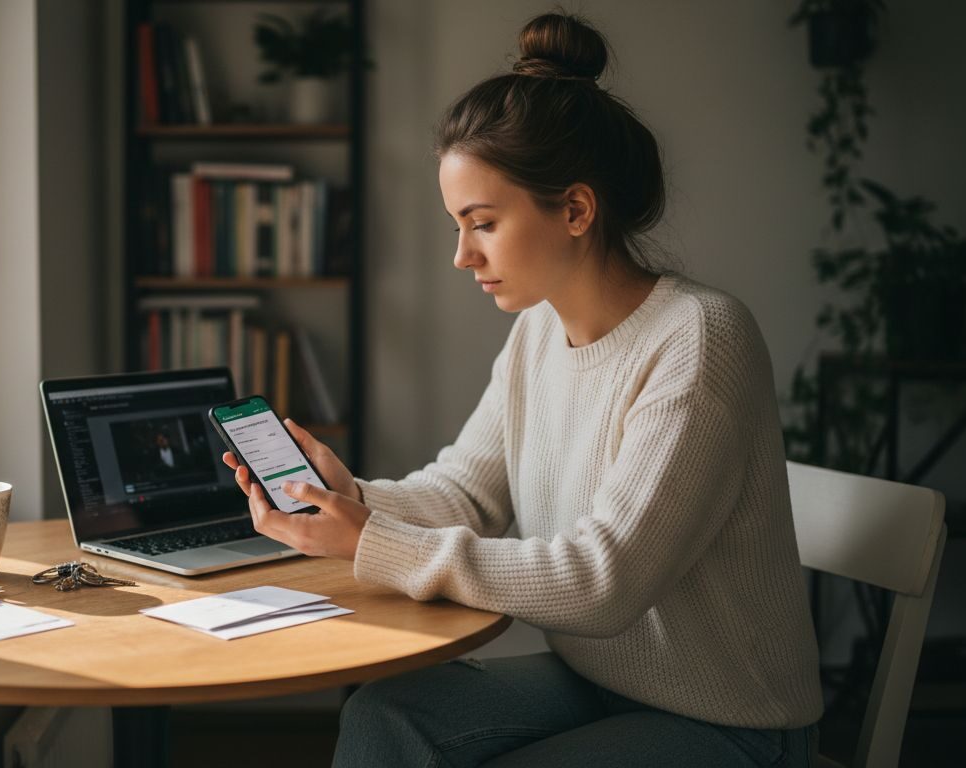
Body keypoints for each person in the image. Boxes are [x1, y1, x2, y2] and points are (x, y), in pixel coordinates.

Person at [220, 10, 823, 768]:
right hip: (600, 680)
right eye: (456, 226)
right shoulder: (540, 333)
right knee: (386, 718)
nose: (462, 256)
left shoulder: (699, 341)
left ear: (574, 209)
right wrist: (355, 503)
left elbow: (604, 581)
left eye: (482, 223)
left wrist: (372, 542)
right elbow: (468, 493)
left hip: (732, 722)